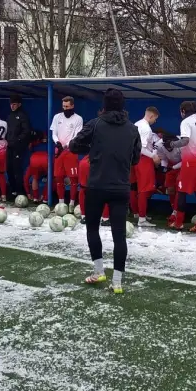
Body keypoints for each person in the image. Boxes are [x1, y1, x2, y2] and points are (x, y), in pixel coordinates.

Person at [69, 88, 141, 294]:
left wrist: (94, 150)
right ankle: (117, 282)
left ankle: (99, 271)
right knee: (119, 236)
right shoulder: (132, 129)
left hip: (97, 186)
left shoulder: (96, 124)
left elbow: (74, 145)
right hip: (121, 186)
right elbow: (135, 158)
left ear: (105, 105)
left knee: (92, 228)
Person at [172, 100, 196, 233]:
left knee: (182, 192)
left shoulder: (185, 122)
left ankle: (178, 223)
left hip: (190, 162)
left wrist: (172, 144)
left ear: (183, 111)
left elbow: (185, 140)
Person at [50, 96, 83, 211]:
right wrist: (57, 142)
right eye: (63, 106)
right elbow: (54, 133)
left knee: (73, 179)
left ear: (72, 106)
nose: (65, 108)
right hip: (58, 151)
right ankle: (61, 204)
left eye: (67, 106)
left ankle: (72, 204)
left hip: (71, 151)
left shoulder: (78, 119)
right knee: (58, 178)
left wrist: (65, 145)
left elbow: (77, 136)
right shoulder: (57, 117)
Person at [132, 107, 161, 227]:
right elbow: (142, 148)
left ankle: (137, 214)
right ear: (151, 116)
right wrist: (153, 156)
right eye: (155, 119)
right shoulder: (147, 129)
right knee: (144, 190)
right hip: (143, 160)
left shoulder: (136, 124)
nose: (155, 121)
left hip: (133, 159)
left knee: (133, 187)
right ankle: (142, 219)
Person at [5, 94, 32, 201]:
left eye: (14, 104)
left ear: (19, 104)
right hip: (9, 146)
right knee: (9, 168)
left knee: (17, 169)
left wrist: (19, 140)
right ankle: (12, 190)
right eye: (11, 104)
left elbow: (26, 131)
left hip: (18, 147)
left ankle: (20, 192)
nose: (12, 106)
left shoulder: (23, 116)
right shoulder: (9, 116)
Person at [23, 134, 49, 202]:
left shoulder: (34, 144)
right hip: (46, 160)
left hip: (34, 160)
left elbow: (26, 178)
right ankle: (45, 198)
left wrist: (28, 193)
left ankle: (35, 198)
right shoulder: (52, 143)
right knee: (51, 179)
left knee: (34, 178)